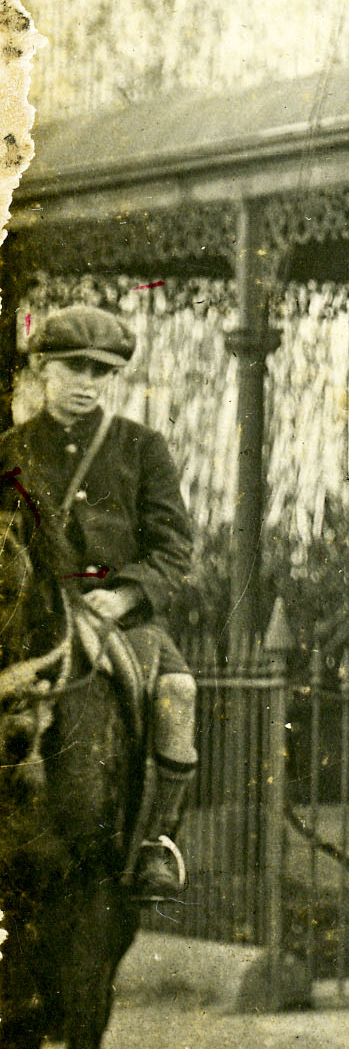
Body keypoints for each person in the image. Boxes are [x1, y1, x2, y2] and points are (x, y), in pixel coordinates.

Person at [1, 307, 202, 898]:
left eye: (100, 371)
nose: (87, 383)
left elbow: (174, 547)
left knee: (178, 694)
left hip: (120, 616)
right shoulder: (9, 451)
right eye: (73, 368)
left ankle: (157, 843)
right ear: (42, 369)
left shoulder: (141, 448)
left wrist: (125, 595)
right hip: (28, 619)